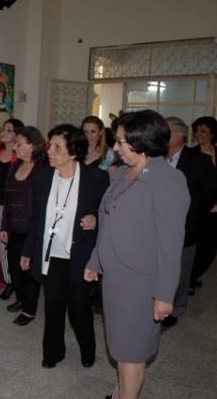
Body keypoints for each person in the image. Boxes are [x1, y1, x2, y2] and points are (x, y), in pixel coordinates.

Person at [84, 110, 190, 399]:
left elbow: (171, 243)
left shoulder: (168, 180)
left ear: (142, 142)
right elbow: (107, 220)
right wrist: (96, 260)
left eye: (121, 141)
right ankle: (122, 389)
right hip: (116, 277)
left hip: (142, 281)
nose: (115, 147)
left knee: (132, 350)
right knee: (119, 345)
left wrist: (164, 294)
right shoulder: (121, 173)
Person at [20, 124, 109, 369]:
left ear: (73, 152)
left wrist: (96, 219)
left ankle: (87, 350)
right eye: (50, 145)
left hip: (80, 254)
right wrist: (28, 250)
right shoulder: (43, 178)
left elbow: (110, 215)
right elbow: (36, 219)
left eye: (57, 147)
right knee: (52, 305)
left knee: (79, 307)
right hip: (52, 254)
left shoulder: (96, 178)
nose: (50, 151)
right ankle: (53, 352)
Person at [163, 117, 216, 327]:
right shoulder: (156, 156)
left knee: (181, 269)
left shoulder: (199, 160)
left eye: (165, 129)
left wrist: (193, 215)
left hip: (185, 225)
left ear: (179, 135)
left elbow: (210, 194)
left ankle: (176, 307)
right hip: (157, 223)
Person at [0, 126, 47, 326]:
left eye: (19, 144)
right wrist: (4, 225)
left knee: (29, 270)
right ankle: (21, 298)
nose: (15, 147)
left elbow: (42, 203)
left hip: (32, 228)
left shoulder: (43, 169)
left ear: (32, 146)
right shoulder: (14, 165)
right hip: (14, 226)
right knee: (14, 267)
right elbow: (7, 199)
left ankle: (30, 309)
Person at [0, 118, 24, 303]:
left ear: (17, 134)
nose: (4, 132)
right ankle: (10, 281)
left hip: (16, 207)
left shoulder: (21, 156)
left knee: (17, 246)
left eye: (10, 130)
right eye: (4, 129)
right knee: (3, 245)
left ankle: (19, 281)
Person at [189, 116, 217, 295]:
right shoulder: (191, 155)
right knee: (193, 246)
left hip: (214, 210)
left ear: (212, 134)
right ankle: (190, 278)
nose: (199, 134)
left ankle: (194, 276)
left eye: (203, 131)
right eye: (197, 131)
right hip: (196, 209)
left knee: (209, 248)